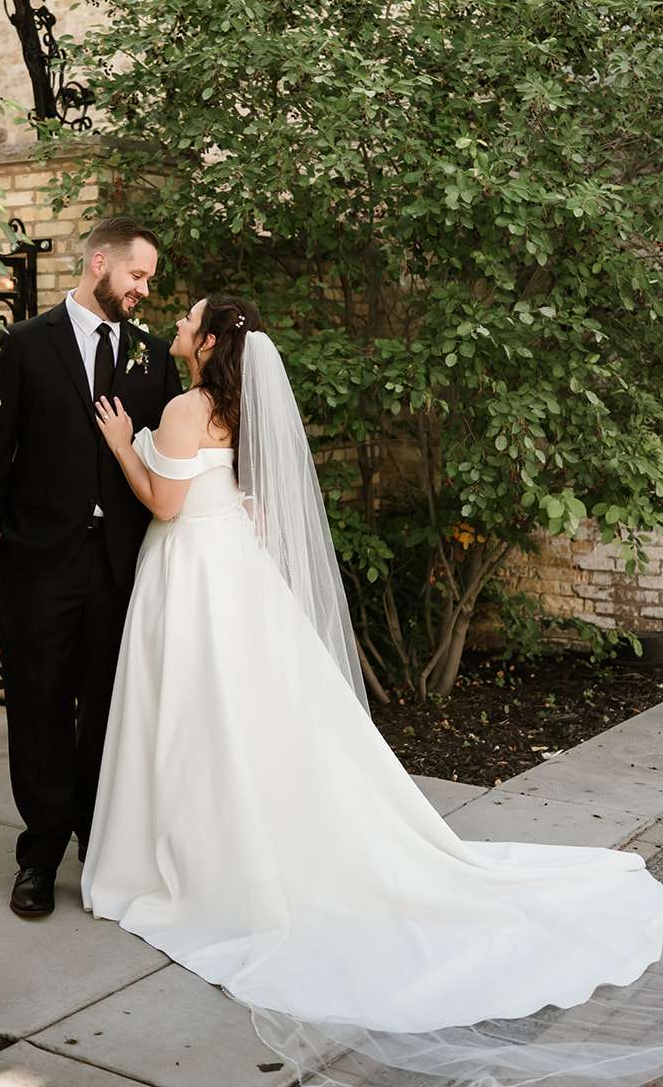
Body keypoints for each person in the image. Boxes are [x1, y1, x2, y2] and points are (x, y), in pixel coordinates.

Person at [86, 292, 663, 1087]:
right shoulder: (240, 405)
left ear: (208, 339)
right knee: (248, 716)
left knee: (195, 716)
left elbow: (167, 504)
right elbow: (241, 496)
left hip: (194, 575)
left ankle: (202, 849)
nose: (176, 327)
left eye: (187, 319)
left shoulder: (187, 406)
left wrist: (123, 445)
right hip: (238, 576)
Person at [0, 217, 182, 919]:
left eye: (146, 280)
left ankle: (101, 846)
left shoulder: (153, 356)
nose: (142, 290)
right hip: (36, 560)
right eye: (137, 275)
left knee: (107, 707)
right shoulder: (26, 343)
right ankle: (38, 857)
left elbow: (160, 453)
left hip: (121, 565)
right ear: (99, 263)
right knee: (37, 706)